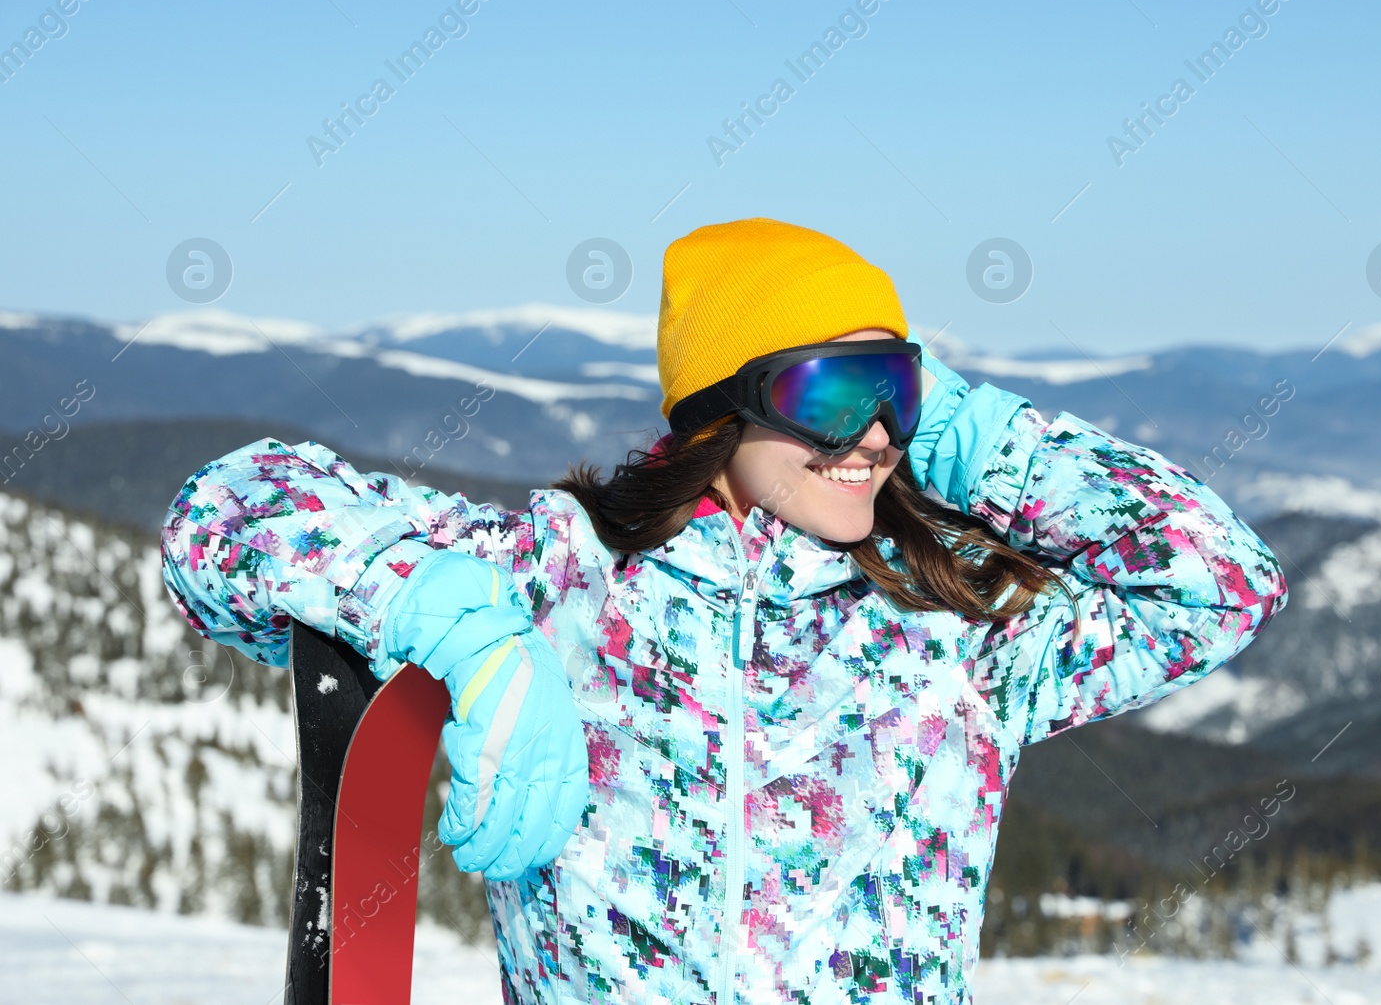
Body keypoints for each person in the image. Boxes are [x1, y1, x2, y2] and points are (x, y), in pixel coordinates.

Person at [161, 217, 1287, 1003]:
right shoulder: (565, 579)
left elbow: (1221, 579)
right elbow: (222, 514)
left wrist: (970, 430)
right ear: (719, 409)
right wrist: (464, 625)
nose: (876, 435)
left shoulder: (955, 633)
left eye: (896, 391)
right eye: (834, 394)